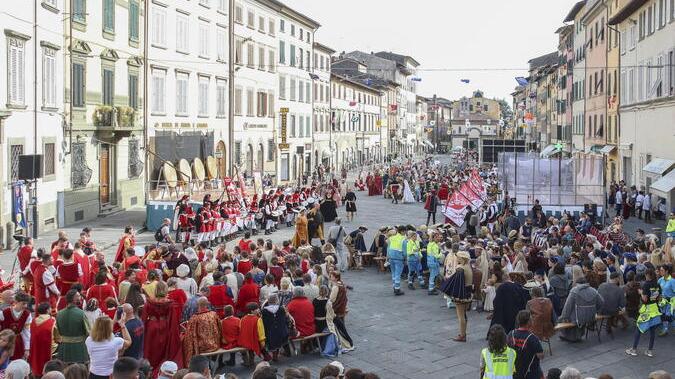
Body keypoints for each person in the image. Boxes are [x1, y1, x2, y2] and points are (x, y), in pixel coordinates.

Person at [142, 281, 182, 371]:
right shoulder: (170, 304)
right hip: (164, 326)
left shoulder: (149, 302)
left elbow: (144, 318)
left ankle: (149, 368)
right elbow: (173, 320)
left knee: (151, 348)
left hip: (151, 326)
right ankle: (160, 368)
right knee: (163, 349)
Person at [626, 267, 661, 357]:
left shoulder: (646, 285)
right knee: (652, 331)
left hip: (647, 310)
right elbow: (659, 298)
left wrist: (641, 293)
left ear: (647, 275)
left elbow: (644, 299)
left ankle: (633, 349)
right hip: (655, 309)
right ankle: (649, 351)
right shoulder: (657, 284)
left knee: (639, 328)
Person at [558, 276, 604, 342]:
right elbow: (601, 302)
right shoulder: (594, 290)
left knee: (563, 318)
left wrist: (564, 316)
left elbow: (567, 306)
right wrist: (595, 310)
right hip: (591, 317)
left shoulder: (574, 291)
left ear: (577, 284)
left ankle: (570, 337)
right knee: (576, 314)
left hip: (578, 318)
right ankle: (577, 336)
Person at [182, 297, 222, 363]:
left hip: (202, 348)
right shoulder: (214, 314)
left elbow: (189, 335)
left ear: (198, 305)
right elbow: (220, 329)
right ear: (207, 304)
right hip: (215, 345)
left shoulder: (194, 318)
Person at [507, 310, 544, 379]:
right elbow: (540, 356)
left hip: (514, 371)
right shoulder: (532, 338)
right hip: (530, 373)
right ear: (529, 322)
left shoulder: (510, 334)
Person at [56, 289, 89, 363]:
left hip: (64, 349)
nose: (80, 297)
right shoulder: (81, 314)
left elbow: (57, 332)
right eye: (78, 296)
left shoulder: (59, 314)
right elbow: (88, 331)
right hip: (79, 348)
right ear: (74, 299)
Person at [29, 302, 58, 377]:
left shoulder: (33, 321)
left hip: (35, 348)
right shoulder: (52, 321)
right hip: (49, 349)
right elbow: (58, 337)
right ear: (48, 310)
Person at [0, 291, 31, 360]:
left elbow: (26, 332)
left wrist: (27, 349)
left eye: (26, 304)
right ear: (16, 302)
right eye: (23, 303)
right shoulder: (4, 312)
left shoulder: (27, 315)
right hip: (5, 342)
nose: (25, 306)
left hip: (18, 342)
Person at [260, 294, 291, 361]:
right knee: (282, 331)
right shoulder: (281, 309)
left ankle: (274, 355)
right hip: (283, 333)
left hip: (269, 334)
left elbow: (263, 323)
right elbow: (286, 320)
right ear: (277, 300)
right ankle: (284, 352)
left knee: (272, 333)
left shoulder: (264, 311)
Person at [238, 302, 270, 367]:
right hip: (254, 341)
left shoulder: (242, 319)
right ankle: (266, 356)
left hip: (244, 341)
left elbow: (241, 329)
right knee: (259, 343)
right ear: (252, 311)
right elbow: (261, 332)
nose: (258, 310)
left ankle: (249, 362)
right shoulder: (258, 319)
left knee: (250, 348)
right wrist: (262, 341)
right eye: (257, 309)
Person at [387, 227, 406, 296]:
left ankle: (394, 287)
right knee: (398, 274)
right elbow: (405, 252)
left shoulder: (391, 238)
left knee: (393, 273)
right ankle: (397, 289)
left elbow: (388, 249)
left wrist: (388, 258)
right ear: (402, 231)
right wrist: (405, 258)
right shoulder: (403, 239)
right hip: (399, 258)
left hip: (391, 257)